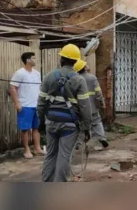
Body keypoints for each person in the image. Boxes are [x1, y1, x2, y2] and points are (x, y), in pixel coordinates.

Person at [37, 44, 92, 182]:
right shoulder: (79, 80)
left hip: (51, 121)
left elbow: (41, 103)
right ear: (75, 61)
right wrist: (86, 128)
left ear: (61, 59)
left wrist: (41, 123)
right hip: (69, 125)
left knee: (50, 155)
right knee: (64, 156)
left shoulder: (49, 76)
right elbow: (85, 107)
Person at [9, 52, 45, 159]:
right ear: (28, 60)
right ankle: (27, 150)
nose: (36, 59)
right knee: (25, 128)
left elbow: (39, 88)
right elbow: (12, 87)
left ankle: (37, 148)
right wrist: (17, 103)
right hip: (25, 105)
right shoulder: (19, 73)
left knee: (36, 128)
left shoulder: (37, 73)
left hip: (36, 104)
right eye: (34, 58)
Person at [74, 59, 109, 150]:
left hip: (80, 106)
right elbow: (98, 92)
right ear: (84, 67)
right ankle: (101, 138)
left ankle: (78, 142)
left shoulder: (75, 79)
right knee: (97, 122)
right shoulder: (92, 77)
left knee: (81, 124)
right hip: (92, 106)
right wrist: (101, 103)